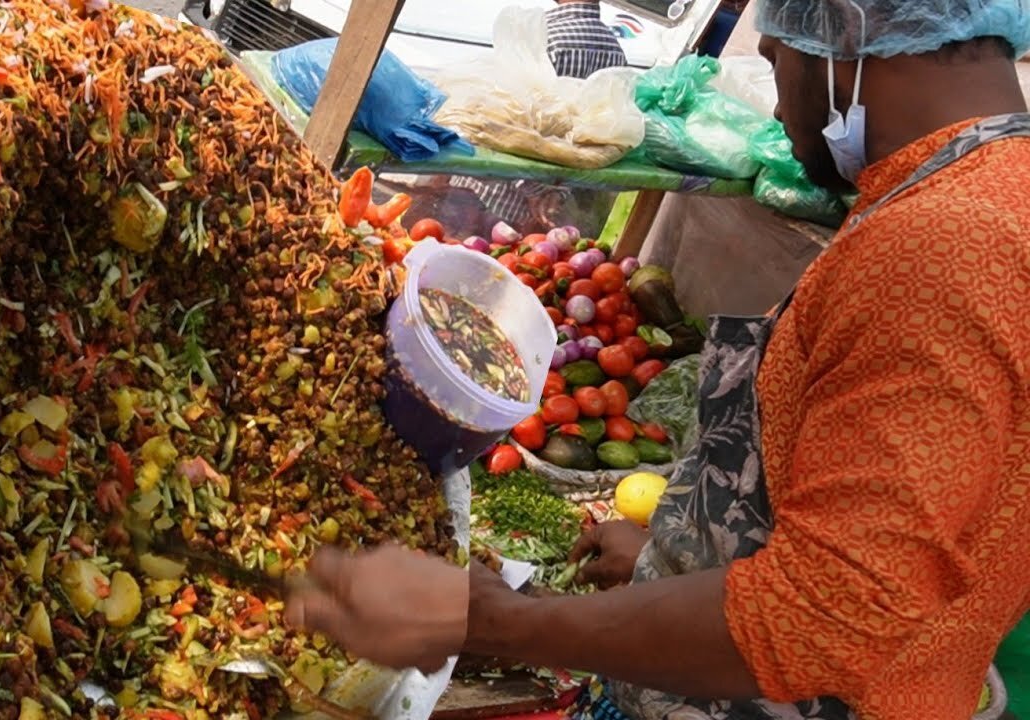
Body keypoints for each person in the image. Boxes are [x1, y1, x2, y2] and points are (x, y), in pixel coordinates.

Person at [286, 2, 1030, 719]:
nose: (776, 113)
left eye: (774, 58)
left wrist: (494, 621)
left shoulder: (942, 245)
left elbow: (823, 616)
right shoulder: (994, 192)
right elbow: (917, 515)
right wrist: (679, 554)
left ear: (840, 26)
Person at [448, 0, 628, 234]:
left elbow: (500, 124)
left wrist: (533, 188)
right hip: (544, 208)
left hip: (490, 196)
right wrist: (553, 190)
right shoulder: (615, 52)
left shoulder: (544, 38)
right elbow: (595, 141)